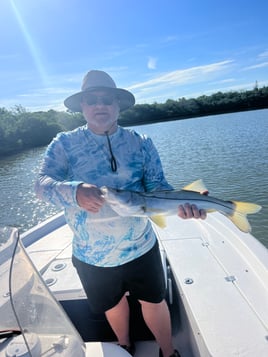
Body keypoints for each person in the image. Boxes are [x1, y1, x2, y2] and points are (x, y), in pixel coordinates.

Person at [35, 70, 206, 357]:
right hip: (91, 253)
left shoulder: (141, 142)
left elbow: (157, 187)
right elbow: (41, 185)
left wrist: (183, 202)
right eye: (92, 100)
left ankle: (168, 351)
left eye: (107, 100)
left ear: (118, 105)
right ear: (82, 107)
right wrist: (74, 191)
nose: (99, 105)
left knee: (154, 301)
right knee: (112, 305)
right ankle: (124, 344)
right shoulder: (63, 144)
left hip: (141, 245)